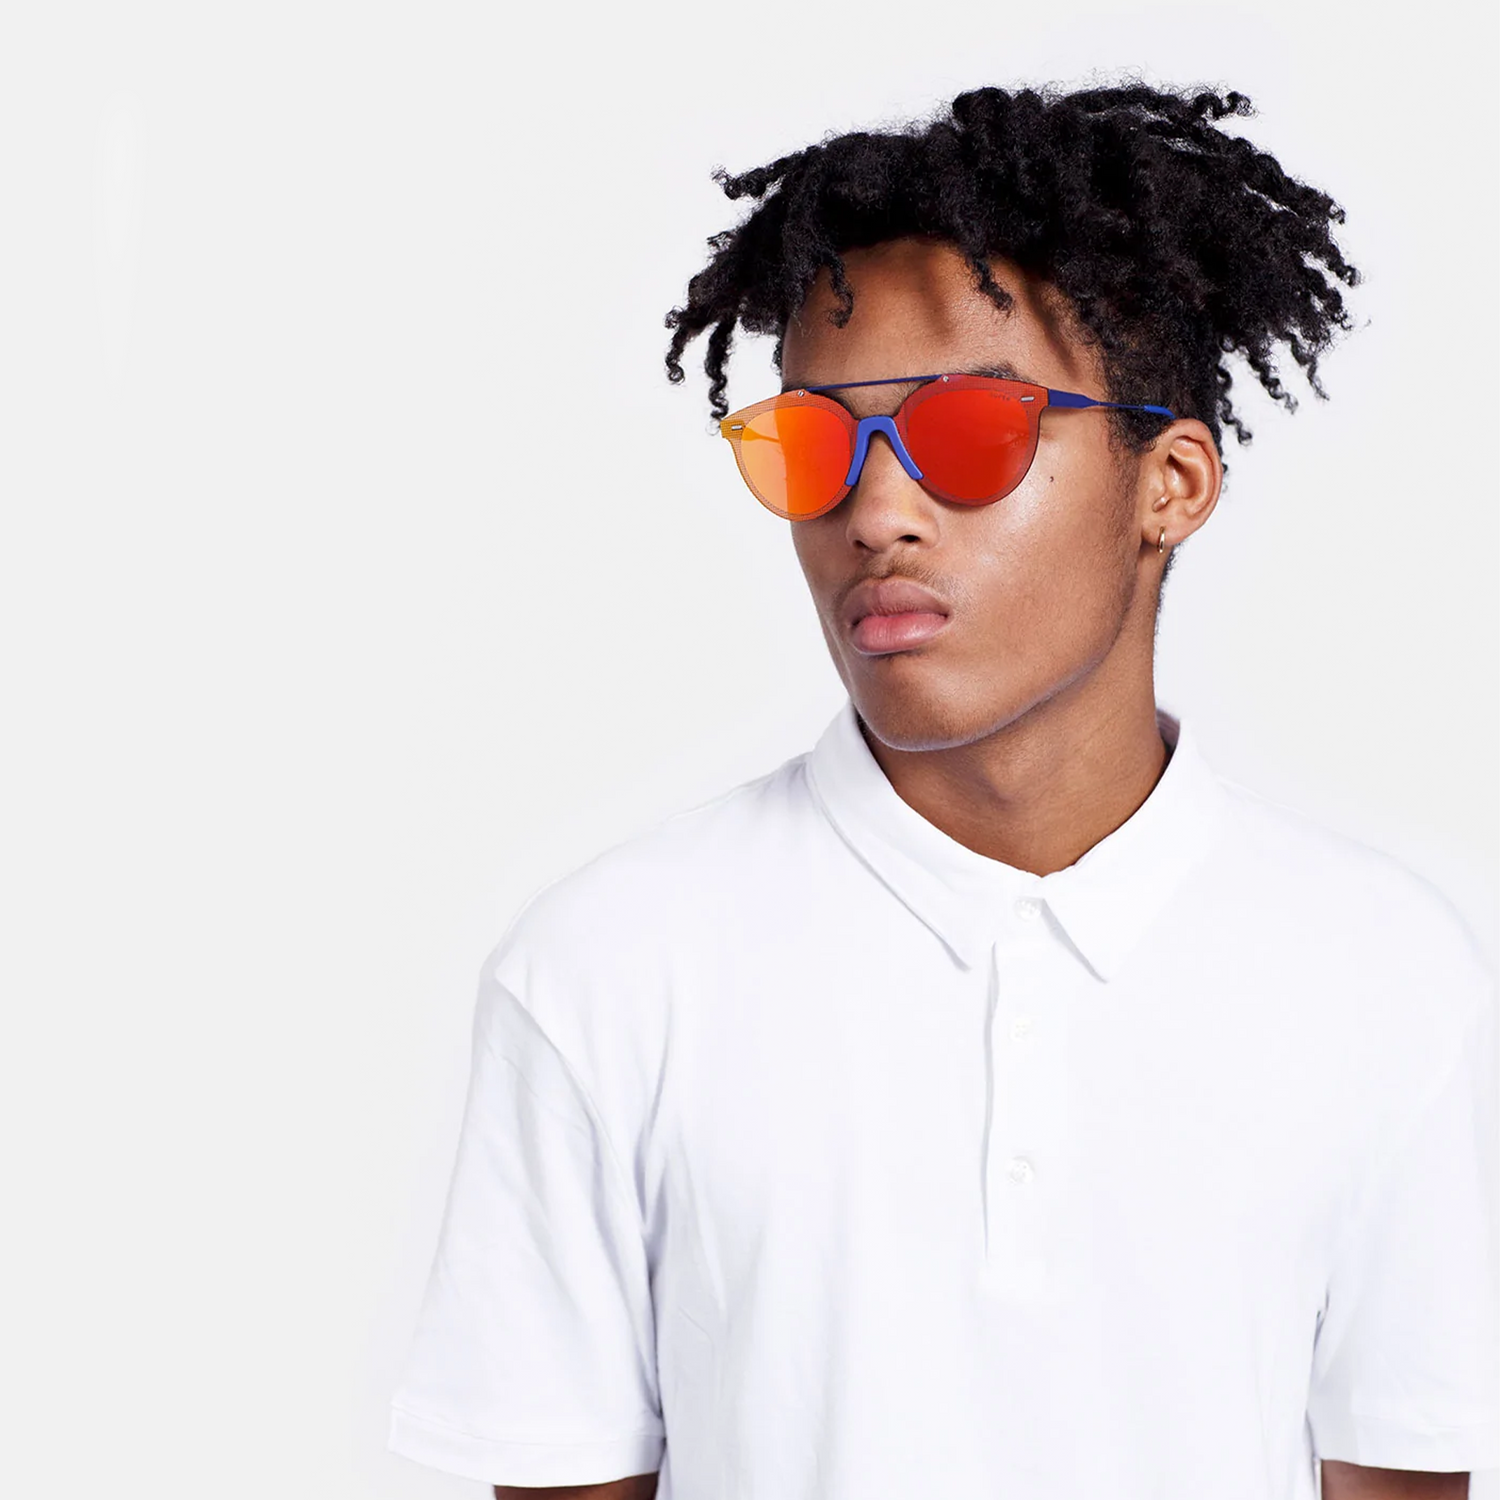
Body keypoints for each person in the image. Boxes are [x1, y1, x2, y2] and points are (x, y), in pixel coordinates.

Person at [386, 82, 1498, 1500]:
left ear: (1169, 483)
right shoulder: (609, 969)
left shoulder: (1387, 977)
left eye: (970, 434)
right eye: (814, 447)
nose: (876, 513)